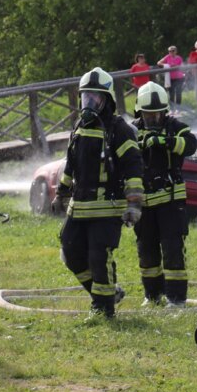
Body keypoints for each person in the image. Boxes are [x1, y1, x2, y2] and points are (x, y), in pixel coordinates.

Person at [53, 67, 144, 319]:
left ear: (107, 100)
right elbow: (71, 164)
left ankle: (104, 310)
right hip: (79, 206)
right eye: (86, 97)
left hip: (107, 208)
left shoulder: (119, 130)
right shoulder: (79, 126)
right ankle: (103, 293)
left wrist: (134, 204)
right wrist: (61, 191)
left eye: (95, 98)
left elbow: (134, 167)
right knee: (70, 251)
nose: (89, 103)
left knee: (98, 257)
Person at [131, 82, 197, 307]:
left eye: (157, 114)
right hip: (143, 203)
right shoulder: (132, 130)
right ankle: (152, 296)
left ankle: (177, 299)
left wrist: (166, 142)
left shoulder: (174, 127)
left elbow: (191, 144)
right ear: (140, 111)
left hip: (171, 201)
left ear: (164, 111)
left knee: (172, 249)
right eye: (148, 114)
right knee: (146, 250)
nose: (152, 119)